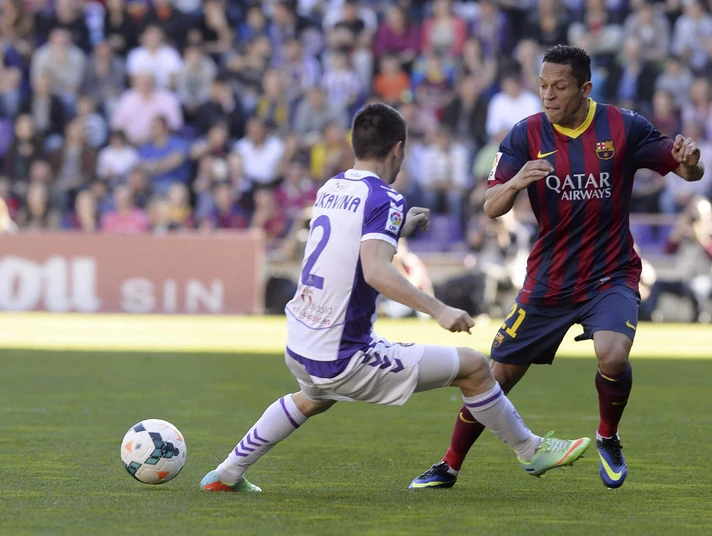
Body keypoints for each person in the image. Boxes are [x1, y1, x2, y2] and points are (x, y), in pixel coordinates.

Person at [200, 103, 590, 493]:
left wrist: (397, 226)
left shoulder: (332, 187)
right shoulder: (385, 197)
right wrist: (438, 308)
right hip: (343, 354)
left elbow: (346, 241)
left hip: (301, 341)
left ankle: (227, 472)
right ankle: (531, 450)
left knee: (313, 397)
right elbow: (375, 271)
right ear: (398, 149)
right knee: (473, 367)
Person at [410, 45, 704, 491]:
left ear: (585, 89)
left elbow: (686, 171)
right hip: (550, 278)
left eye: (559, 87)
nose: (548, 95)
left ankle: (608, 436)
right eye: (543, 86)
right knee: (497, 376)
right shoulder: (525, 134)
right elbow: (491, 206)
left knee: (613, 354)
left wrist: (691, 161)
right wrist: (516, 181)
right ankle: (449, 465)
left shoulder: (623, 126)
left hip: (610, 272)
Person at [641, 196, 712, 324]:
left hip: (709, 279)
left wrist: (702, 237)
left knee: (697, 286)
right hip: (685, 279)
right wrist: (679, 231)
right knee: (658, 284)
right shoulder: (684, 233)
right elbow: (668, 250)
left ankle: (700, 317)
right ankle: (649, 315)